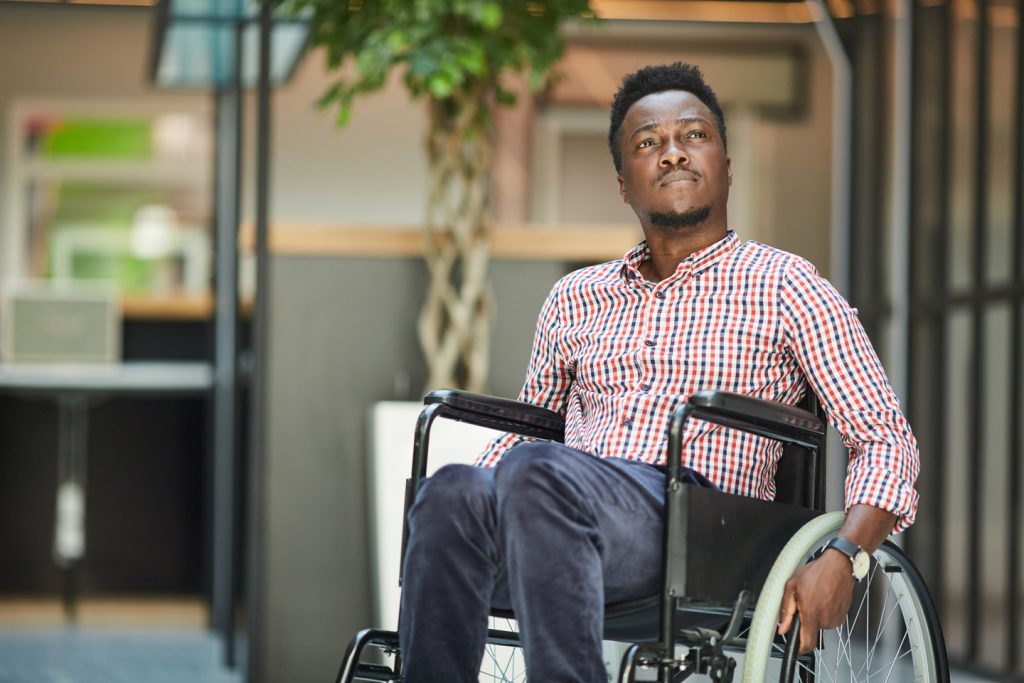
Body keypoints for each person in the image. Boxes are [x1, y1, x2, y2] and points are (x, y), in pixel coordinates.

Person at [398, 62, 919, 683]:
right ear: (624, 184)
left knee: (537, 473)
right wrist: (476, 496)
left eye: (694, 135)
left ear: (727, 165)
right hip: (561, 506)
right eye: (648, 143)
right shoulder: (575, 296)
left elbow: (886, 440)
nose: (673, 153)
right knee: (449, 494)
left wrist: (844, 555)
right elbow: (529, 431)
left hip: (700, 527)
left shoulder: (787, 285)